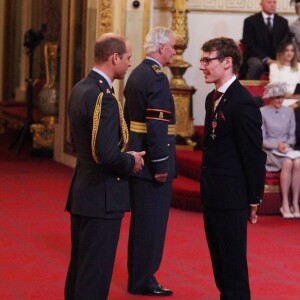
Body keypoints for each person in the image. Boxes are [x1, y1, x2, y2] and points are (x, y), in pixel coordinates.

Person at [64, 33, 145, 300]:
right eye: (128, 58)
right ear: (114, 58)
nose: (130, 63)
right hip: (103, 195)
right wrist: (131, 159)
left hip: (83, 191)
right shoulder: (104, 98)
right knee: (95, 276)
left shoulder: (80, 88)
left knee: (81, 268)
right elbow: (107, 155)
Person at [199, 37, 266, 299]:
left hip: (232, 198)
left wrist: (254, 198)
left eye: (207, 60)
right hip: (212, 195)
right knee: (220, 267)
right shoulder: (210, 98)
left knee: (233, 268)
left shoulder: (244, 102)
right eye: (202, 59)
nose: (202, 66)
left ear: (227, 62)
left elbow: (252, 155)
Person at [123, 26, 176, 296]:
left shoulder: (136, 74)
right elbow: (157, 126)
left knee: (141, 224)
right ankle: (144, 279)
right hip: (152, 162)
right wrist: (162, 165)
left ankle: (137, 276)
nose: (174, 52)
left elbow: (127, 117)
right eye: (172, 47)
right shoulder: (157, 78)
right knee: (152, 226)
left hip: (137, 156)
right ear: (160, 48)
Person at [261, 82, 300, 218]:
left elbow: (292, 136)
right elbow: (262, 139)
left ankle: (295, 203)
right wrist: (278, 145)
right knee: (288, 163)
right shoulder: (262, 112)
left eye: (282, 97)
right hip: (270, 151)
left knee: (298, 162)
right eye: (277, 97)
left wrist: (286, 145)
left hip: (287, 150)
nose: (280, 100)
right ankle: (284, 203)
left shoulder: (289, 111)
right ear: (270, 97)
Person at [241, 0, 290, 79]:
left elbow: (286, 43)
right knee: (256, 65)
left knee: (289, 63)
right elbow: (249, 45)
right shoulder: (250, 21)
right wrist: (266, 59)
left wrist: (280, 58)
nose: (272, 5)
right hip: (256, 57)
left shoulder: (283, 22)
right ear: (261, 4)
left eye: (274, 2)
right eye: (269, 2)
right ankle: (251, 90)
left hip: (277, 57)